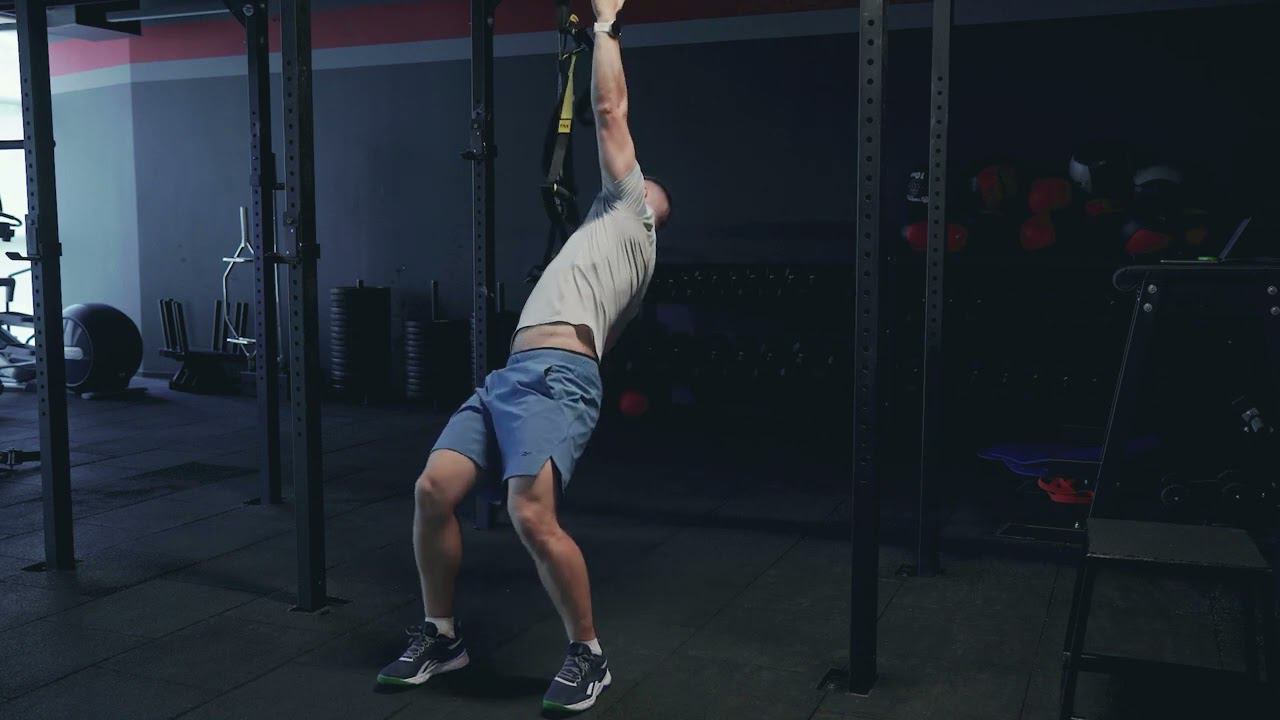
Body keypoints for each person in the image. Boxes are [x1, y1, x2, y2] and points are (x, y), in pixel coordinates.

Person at [377, 0, 671, 713]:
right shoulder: (612, 248)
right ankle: (442, 637)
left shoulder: (630, 213)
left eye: (640, 180)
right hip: (510, 378)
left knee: (531, 514)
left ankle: (588, 655)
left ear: (649, 205)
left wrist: (604, 26)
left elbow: (610, 111)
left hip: (554, 380)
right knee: (432, 490)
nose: (629, 175)